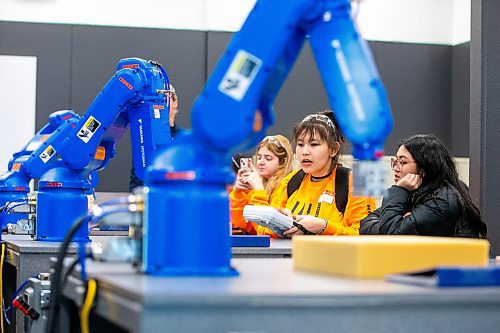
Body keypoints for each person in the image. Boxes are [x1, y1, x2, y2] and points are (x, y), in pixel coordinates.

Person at [245, 110, 375, 238]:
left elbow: (365, 237)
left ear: (333, 149)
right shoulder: (292, 180)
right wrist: (280, 223)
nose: (305, 152)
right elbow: (262, 230)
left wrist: (324, 227)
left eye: (314, 144)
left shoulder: (356, 182)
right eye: (300, 144)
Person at [360, 134, 487, 238]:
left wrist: (398, 190)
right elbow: (365, 225)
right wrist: (395, 221)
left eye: (402, 162)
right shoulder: (411, 192)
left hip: (448, 267)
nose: (395, 168)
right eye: (395, 161)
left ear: (424, 168)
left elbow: (391, 235)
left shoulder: (443, 200)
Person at [230, 135, 294, 234]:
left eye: (268, 159)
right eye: (259, 157)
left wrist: (258, 191)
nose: (261, 162)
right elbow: (244, 226)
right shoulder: (258, 184)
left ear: (283, 162)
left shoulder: (287, 186)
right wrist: (238, 194)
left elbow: (268, 229)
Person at [129, 85, 180, 192]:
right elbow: (137, 179)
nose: (160, 102)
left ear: (175, 102)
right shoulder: (145, 137)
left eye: (164, 98)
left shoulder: (183, 140)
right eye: (157, 98)